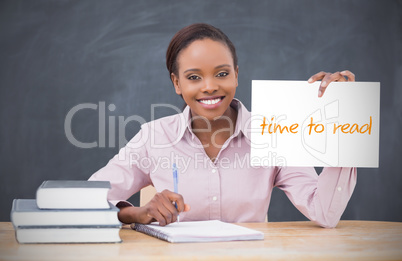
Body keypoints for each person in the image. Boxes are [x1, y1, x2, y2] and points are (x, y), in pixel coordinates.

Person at [89, 23, 357, 228]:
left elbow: (324, 212)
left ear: (236, 75)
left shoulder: (273, 133)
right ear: (177, 84)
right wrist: (137, 213)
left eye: (222, 73)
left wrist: (340, 129)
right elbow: (88, 202)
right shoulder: (154, 137)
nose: (210, 86)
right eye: (194, 77)